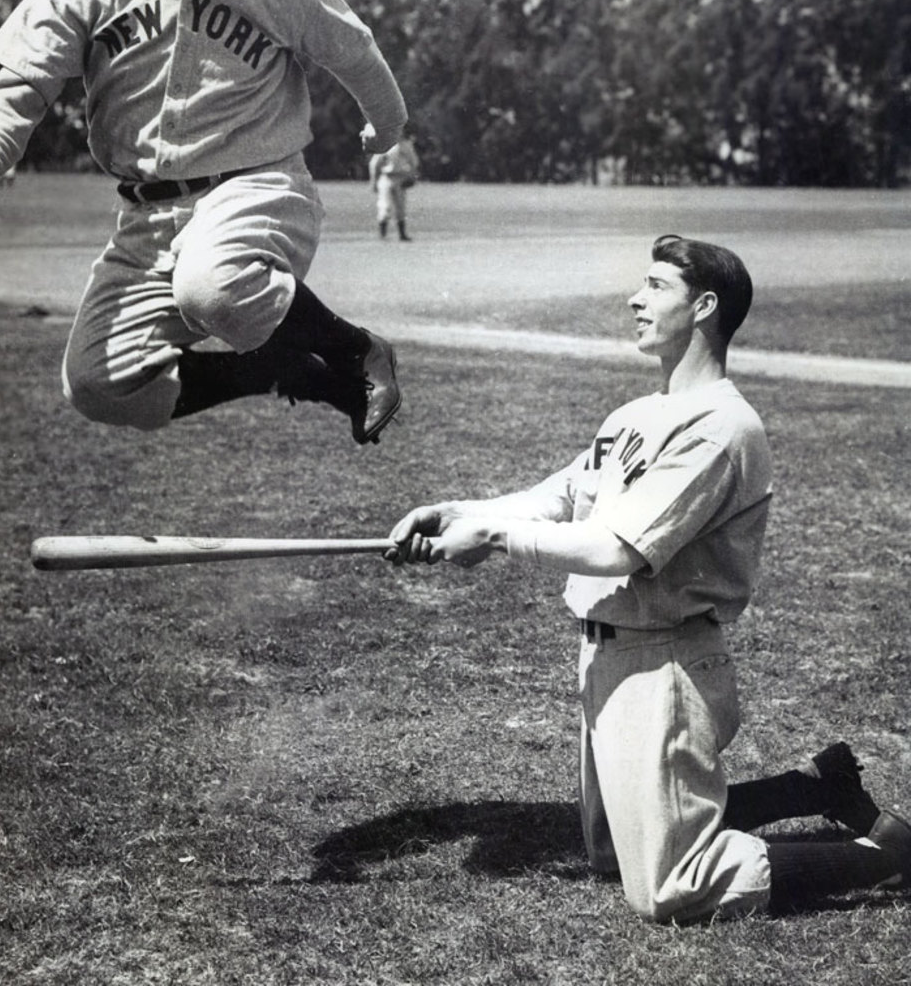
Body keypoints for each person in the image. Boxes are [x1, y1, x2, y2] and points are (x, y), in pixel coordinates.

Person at [386, 234, 910, 921]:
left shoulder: (721, 427)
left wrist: (492, 537)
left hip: (665, 661)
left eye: (656, 286)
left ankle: (886, 860)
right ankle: (814, 787)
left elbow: (616, 549)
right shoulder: (635, 414)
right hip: (606, 654)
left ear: (705, 307)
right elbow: (561, 498)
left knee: (671, 885)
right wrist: (456, 512)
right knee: (611, 850)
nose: (635, 299)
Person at [0, 0, 407, 446]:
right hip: (147, 218)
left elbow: (356, 54)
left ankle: (355, 350)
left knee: (214, 287)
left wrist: (385, 129)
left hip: (257, 187)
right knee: (99, 382)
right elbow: (24, 80)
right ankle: (276, 370)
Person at [369, 131, 419, 241]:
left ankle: (402, 234)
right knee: (385, 206)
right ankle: (383, 235)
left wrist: (412, 177)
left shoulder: (406, 145)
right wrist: (374, 181)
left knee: (401, 207)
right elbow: (374, 164)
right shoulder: (384, 145)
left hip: (401, 178)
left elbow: (414, 163)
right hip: (386, 177)